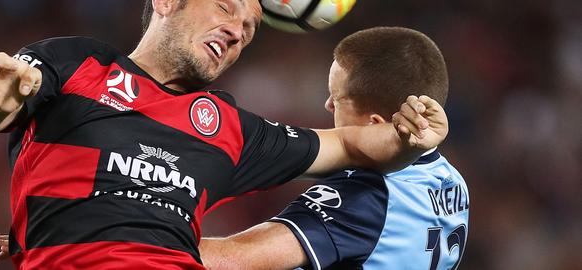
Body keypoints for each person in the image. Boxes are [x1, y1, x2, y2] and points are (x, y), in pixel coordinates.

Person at [0, 0, 446, 269]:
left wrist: (414, 137)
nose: (237, 32)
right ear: (167, 1)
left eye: (248, 31)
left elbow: (354, 143)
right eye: (226, 9)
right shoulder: (78, 62)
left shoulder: (230, 126)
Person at [199, 27, 469, 269]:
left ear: (373, 123)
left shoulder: (366, 195)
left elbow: (232, 260)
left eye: (338, 98)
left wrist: (160, 233)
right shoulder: (451, 180)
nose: (328, 105)